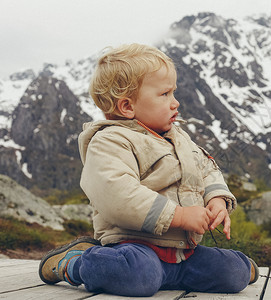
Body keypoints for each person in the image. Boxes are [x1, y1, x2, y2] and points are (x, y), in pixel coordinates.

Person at [38, 43, 258, 297]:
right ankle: (75, 263)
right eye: (164, 94)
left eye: (174, 93)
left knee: (234, 274)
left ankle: (233, 268)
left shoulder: (179, 138)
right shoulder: (110, 141)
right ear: (127, 107)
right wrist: (180, 216)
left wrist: (217, 199)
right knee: (139, 276)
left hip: (183, 253)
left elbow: (206, 168)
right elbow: (118, 194)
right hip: (134, 247)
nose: (175, 103)